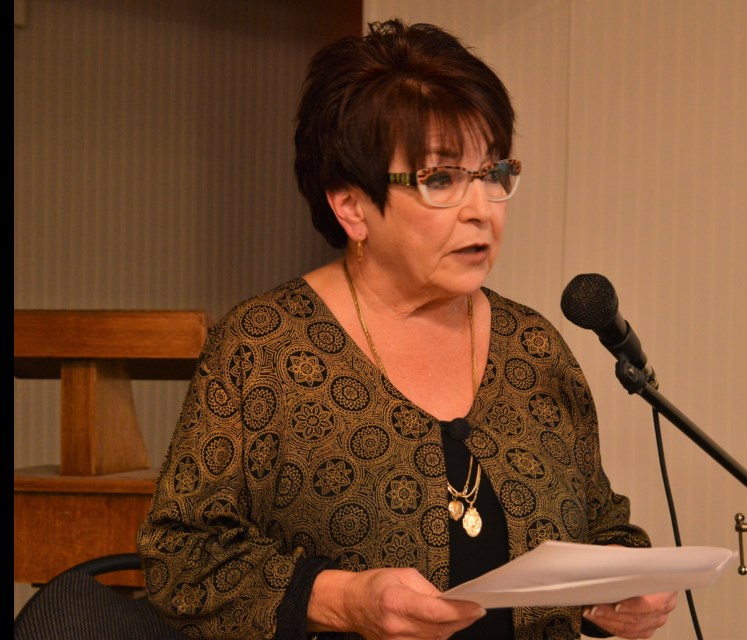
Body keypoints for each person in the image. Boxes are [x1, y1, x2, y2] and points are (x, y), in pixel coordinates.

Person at [137, 18, 677, 640]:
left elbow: (598, 525)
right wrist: (342, 599)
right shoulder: (263, 348)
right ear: (351, 206)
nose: (482, 210)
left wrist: (626, 588)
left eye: (493, 174)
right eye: (441, 179)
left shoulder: (534, 345)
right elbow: (181, 561)